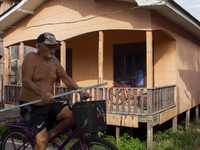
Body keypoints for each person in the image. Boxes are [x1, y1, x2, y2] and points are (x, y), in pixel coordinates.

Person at [18, 32, 89, 150]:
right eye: (49, 47)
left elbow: (66, 78)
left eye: (54, 47)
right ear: (39, 47)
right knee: (42, 142)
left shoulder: (54, 61)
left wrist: (80, 91)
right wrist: (42, 93)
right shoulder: (31, 57)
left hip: (49, 103)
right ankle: (45, 138)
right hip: (31, 106)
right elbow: (26, 80)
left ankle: (51, 135)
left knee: (73, 114)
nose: (52, 50)